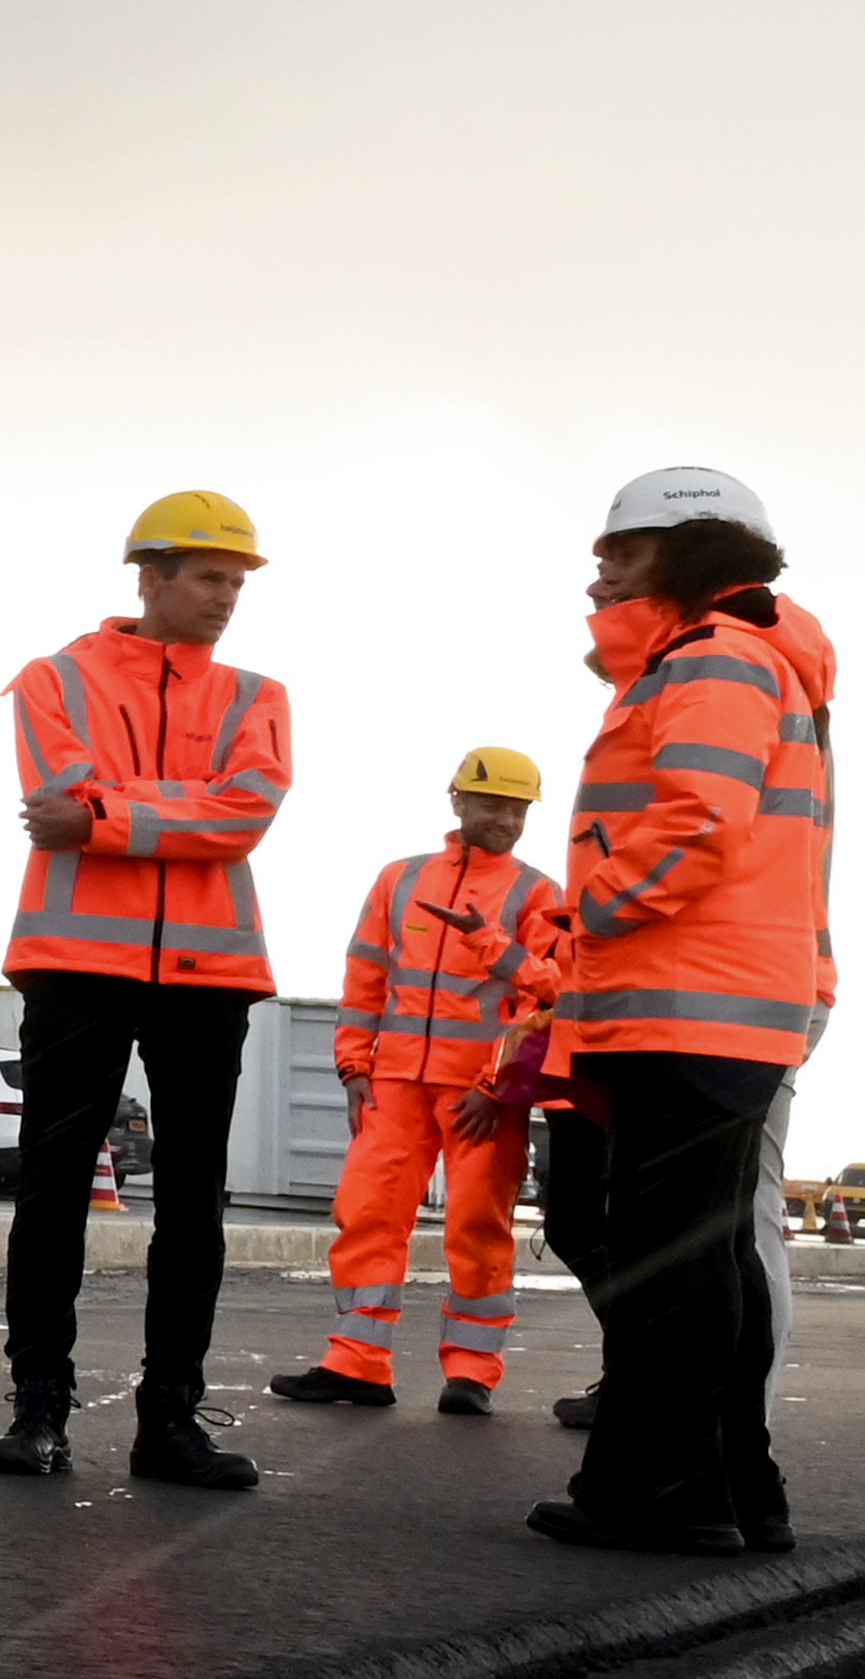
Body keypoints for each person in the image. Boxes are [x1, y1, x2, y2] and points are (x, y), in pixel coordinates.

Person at [533, 466, 834, 1555]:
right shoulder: (755, 661)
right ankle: (730, 1488)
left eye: (624, 547)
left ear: (690, 551)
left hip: (687, 1002)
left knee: (669, 1266)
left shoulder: (713, 660)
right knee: (707, 1262)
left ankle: (660, 1493)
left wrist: (592, 912)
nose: (601, 565)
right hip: (725, 1002)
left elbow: (699, 818)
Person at [0, 488, 289, 1490]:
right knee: (53, 1187)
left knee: (193, 1199)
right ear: (148, 577)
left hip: (208, 972)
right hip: (76, 964)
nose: (225, 597)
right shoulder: (53, 679)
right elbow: (59, 795)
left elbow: (244, 815)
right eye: (207, 577)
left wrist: (110, 818)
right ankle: (38, 1414)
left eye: (236, 582)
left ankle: (170, 1425)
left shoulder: (257, 697)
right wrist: (168, 812)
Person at [274, 748, 567, 1413]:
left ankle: (472, 1372)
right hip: (395, 1084)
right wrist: (352, 1062)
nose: (505, 818)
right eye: (492, 803)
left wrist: (496, 1087)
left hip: (480, 1096)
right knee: (367, 1216)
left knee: (476, 1226)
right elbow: (365, 977)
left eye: (518, 808)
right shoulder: (398, 879)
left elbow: (549, 996)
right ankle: (355, 1363)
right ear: (455, 798)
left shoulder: (535, 892)